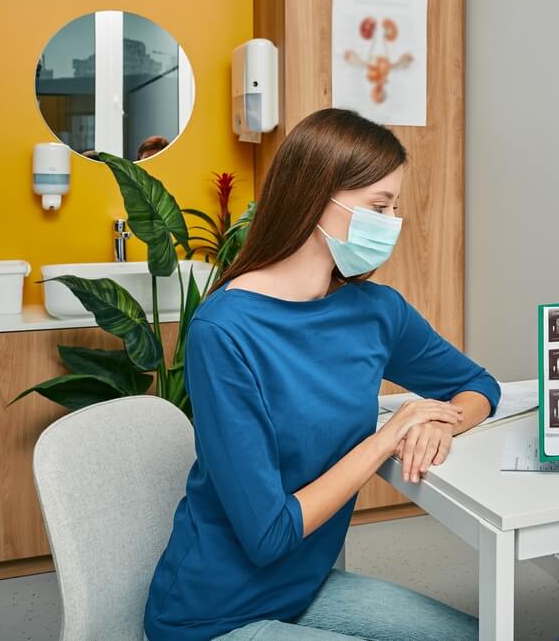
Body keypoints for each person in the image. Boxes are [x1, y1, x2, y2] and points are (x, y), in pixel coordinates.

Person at [143, 108, 500, 641]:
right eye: (378, 206)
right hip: (213, 615)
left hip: (301, 589)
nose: (391, 223)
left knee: (482, 636)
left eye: (394, 206)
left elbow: (478, 386)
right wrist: (386, 440)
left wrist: (441, 424)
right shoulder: (224, 330)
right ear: (316, 198)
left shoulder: (377, 311)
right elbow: (268, 535)